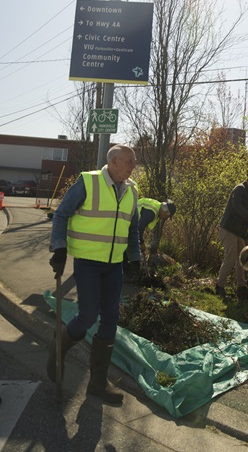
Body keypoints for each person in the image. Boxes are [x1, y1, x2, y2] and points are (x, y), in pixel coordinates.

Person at [47, 144, 139, 405]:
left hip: (114, 266)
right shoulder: (89, 182)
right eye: (129, 160)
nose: (134, 165)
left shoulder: (132, 190)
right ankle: (59, 345)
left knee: (111, 318)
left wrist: (135, 258)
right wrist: (60, 248)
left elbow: (132, 229)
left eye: (134, 161)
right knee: (87, 315)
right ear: (114, 162)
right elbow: (62, 214)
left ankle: (97, 384)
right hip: (88, 263)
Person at [216, 172, 248, 300]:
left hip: (239, 232)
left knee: (243, 260)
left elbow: (243, 213)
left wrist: (247, 229)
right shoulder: (239, 189)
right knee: (230, 258)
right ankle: (219, 286)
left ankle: (241, 288)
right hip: (228, 229)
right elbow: (236, 207)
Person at [123, 197, 176, 282]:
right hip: (126, 222)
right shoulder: (151, 212)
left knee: (128, 250)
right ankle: (128, 275)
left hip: (128, 224)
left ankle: (128, 274)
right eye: (167, 216)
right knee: (128, 249)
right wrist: (142, 244)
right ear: (165, 211)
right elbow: (139, 229)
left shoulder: (156, 207)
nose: (165, 218)